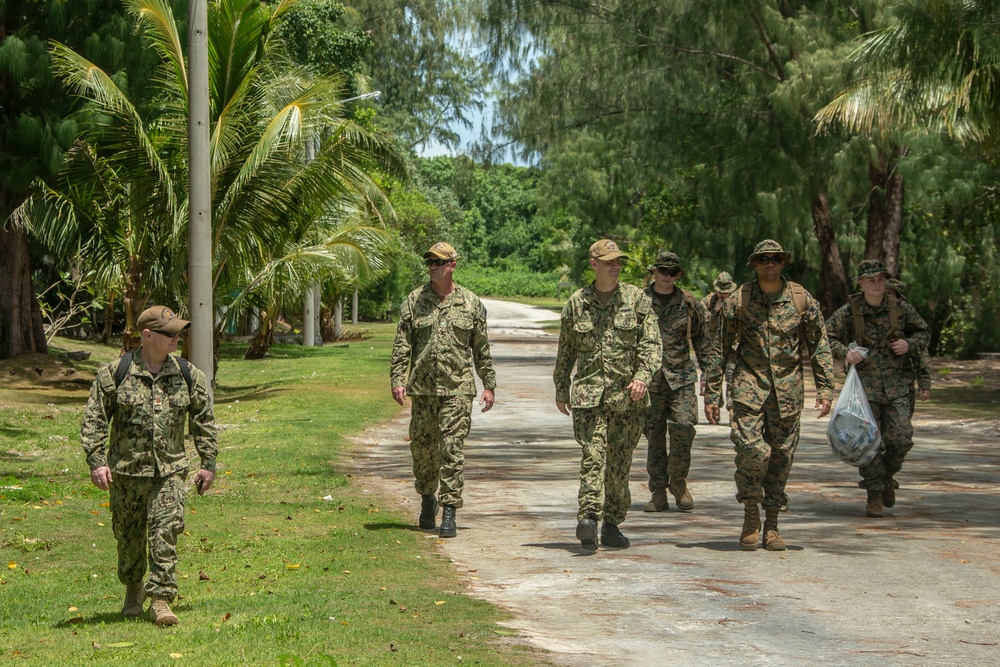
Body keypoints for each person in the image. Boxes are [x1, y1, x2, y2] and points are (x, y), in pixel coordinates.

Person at [81, 306, 217, 626]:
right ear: (147, 335)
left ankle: (161, 599)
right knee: (128, 539)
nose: (176, 337)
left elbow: (204, 421)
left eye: (178, 331)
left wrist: (207, 462)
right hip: (126, 472)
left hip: (169, 471)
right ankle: (133, 588)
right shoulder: (116, 373)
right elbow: (95, 419)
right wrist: (97, 461)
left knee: (165, 531)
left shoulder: (187, 374)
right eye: (169, 333)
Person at [704, 240, 835, 552]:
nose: (770, 264)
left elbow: (820, 345)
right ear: (755, 265)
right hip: (749, 385)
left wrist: (826, 388)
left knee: (781, 457)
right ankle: (751, 510)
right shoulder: (740, 300)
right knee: (753, 450)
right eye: (763, 259)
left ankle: (772, 524)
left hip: (788, 390)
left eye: (775, 259)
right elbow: (719, 347)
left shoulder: (802, 300)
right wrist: (712, 393)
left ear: (783, 263)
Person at [553, 239, 661, 550]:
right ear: (594, 264)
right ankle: (588, 518)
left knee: (618, 466)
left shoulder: (636, 299)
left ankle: (612, 523)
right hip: (588, 398)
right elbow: (566, 350)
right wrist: (561, 387)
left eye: (619, 261)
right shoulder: (577, 303)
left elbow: (652, 345)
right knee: (593, 457)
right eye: (609, 260)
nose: (616, 265)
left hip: (627, 400)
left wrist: (642, 377)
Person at [390, 242, 496, 539]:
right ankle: (427, 497)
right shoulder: (414, 302)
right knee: (423, 453)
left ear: (452, 265)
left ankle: (449, 511)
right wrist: (398, 379)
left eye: (438, 262)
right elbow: (402, 346)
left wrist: (488, 385)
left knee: (452, 450)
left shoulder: (471, 304)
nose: (432, 267)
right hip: (423, 390)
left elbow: (481, 350)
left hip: (458, 389)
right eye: (430, 263)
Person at [826, 261, 931, 517]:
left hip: (897, 389)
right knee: (867, 442)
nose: (876, 284)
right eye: (870, 280)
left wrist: (909, 344)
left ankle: (887, 477)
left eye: (881, 279)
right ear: (860, 283)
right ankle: (874, 493)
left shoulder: (901, 309)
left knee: (900, 439)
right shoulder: (850, 312)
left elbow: (924, 332)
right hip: (863, 392)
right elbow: (826, 337)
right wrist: (845, 353)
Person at [642, 252, 716, 513]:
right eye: (663, 270)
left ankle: (679, 482)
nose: (667, 276)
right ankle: (658, 491)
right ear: (654, 271)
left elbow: (703, 340)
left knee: (684, 428)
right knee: (654, 436)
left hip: (681, 377)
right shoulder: (639, 301)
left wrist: (709, 374)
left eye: (672, 272)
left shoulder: (689, 303)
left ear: (678, 275)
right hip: (649, 379)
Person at [886, 278, 932, 416]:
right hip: (870, 386)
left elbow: (921, 353)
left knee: (901, 429)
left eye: (889, 293)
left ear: (898, 297)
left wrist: (924, 384)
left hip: (901, 384)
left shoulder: (905, 316)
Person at [699, 271, 738, 411]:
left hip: (731, 346)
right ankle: (715, 402)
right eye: (720, 292)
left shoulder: (736, 302)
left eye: (726, 292)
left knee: (732, 375)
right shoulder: (707, 302)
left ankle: (732, 406)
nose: (723, 295)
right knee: (712, 375)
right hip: (711, 345)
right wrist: (715, 311)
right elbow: (702, 323)